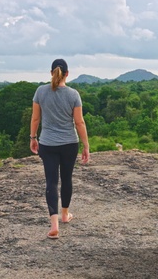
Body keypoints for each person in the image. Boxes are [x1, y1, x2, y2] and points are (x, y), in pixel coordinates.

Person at [30, 59, 90, 239]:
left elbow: (35, 119)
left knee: (51, 181)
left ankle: (54, 225)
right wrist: (86, 145)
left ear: (51, 73)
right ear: (67, 74)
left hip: (47, 143)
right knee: (66, 178)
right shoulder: (73, 94)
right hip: (69, 143)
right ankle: (65, 215)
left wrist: (33, 137)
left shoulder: (41, 91)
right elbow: (79, 122)